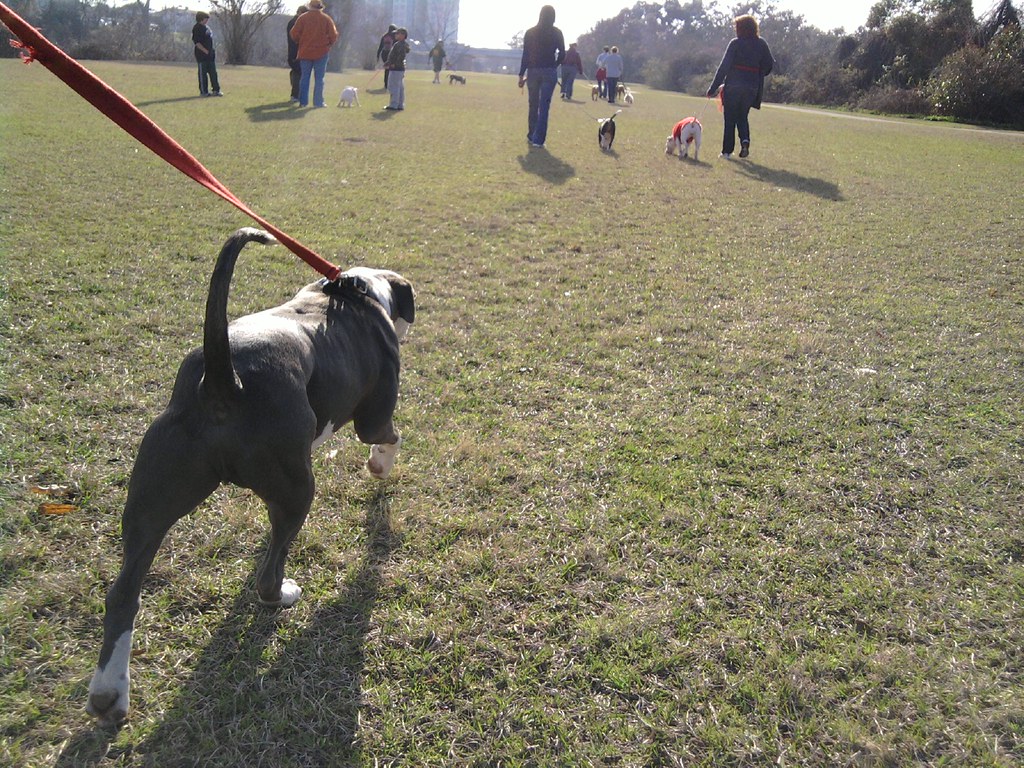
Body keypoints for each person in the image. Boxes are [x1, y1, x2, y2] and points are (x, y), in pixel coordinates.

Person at [706, 14, 774, 159]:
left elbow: (723, 68)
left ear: (741, 28)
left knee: (730, 118)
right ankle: (745, 141)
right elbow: (769, 65)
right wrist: (756, 73)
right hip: (752, 88)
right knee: (742, 116)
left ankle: (727, 151)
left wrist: (713, 88)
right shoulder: (761, 44)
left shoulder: (735, 43)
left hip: (733, 86)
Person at [517, 5, 565, 149]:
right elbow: (562, 54)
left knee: (533, 104)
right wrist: (554, 65)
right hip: (549, 71)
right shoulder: (557, 33)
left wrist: (521, 74)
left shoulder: (530, 32)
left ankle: (531, 134)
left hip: (533, 71)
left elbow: (525, 55)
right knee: (544, 106)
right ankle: (539, 139)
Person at [289, 0, 339, 108]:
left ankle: (303, 102)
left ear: (310, 6)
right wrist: (329, 44)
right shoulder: (326, 19)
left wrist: (300, 41)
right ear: (321, 7)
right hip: (321, 52)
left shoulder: (302, 18)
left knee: (304, 78)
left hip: (305, 52)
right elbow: (334, 35)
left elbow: (293, 33)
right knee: (319, 79)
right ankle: (318, 102)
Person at [191, 12, 222, 97]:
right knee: (203, 74)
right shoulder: (197, 28)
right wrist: (205, 51)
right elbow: (197, 43)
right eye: (206, 18)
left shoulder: (207, 27)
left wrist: (211, 52)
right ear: (201, 19)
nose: (207, 20)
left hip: (210, 55)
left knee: (213, 73)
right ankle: (204, 92)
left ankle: (216, 90)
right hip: (202, 55)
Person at [286, 5, 307, 103]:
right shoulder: (295, 23)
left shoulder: (293, 22)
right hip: (296, 53)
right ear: (299, 12)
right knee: (298, 73)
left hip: (294, 52)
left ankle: (296, 94)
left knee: (296, 72)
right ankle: (295, 95)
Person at [385, 27, 410, 110]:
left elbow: (401, 56)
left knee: (394, 86)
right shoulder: (400, 44)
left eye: (397, 33)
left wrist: (393, 64)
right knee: (400, 87)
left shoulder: (400, 45)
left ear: (403, 35)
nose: (395, 35)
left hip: (396, 69)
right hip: (399, 69)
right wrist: (388, 62)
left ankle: (393, 104)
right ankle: (400, 104)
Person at [377, 24, 397, 88]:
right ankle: (391, 83)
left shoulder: (384, 36)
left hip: (384, 54)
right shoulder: (394, 36)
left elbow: (380, 47)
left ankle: (386, 84)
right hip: (391, 54)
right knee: (392, 69)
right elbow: (395, 46)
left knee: (387, 69)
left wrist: (378, 56)